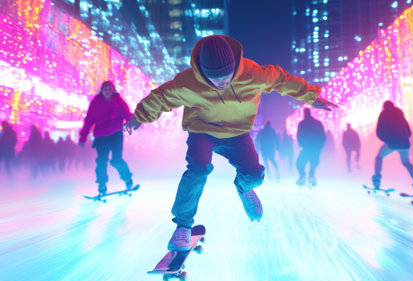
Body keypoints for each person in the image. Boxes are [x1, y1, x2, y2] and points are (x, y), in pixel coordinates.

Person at [123, 35, 338, 251]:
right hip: (202, 132)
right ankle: (182, 226)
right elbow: (161, 96)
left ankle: (244, 188)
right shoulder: (187, 83)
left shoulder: (252, 74)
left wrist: (311, 97)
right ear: (203, 73)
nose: (223, 83)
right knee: (197, 170)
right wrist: (139, 116)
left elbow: (280, 79)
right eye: (216, 80)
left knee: (254, 174)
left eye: (227, 77)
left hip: (237, 133)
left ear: (234, 67)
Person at [79, 81, 134, 195]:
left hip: (116, 135)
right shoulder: (96, 102)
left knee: (116, 160)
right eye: (105, 89)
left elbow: (127, 114)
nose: (107, 92)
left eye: (109, 89)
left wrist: (136, 121)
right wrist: (83, 138)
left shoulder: (118, 101)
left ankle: (127, 179)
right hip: (101, 136)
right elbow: (88, 120)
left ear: (113, 90)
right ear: (101, 91)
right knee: (102, 161)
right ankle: (102, 184)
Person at [372, 100, 413, 195]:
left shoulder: (383, 114)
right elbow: (408, 130)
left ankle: (376, 181)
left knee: (379, 158)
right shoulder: (400, 114)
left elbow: (379, 131)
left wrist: (386, 140)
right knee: (407, 163)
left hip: (392, 143)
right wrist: (405, 138)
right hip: (405, 143)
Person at [296, 108, 326, 187]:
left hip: (306, 147)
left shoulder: (302, 123)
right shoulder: (317, 123)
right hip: (316, 147)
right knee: (314, 162)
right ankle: (311, 176)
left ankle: (303, 176)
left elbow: (299, 135)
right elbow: (323, 135)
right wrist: (320, 146)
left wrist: (301, 144)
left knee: (300, 163)